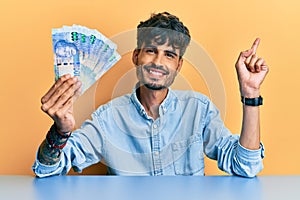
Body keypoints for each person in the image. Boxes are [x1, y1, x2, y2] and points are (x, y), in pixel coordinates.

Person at [32, 12, 269, 177]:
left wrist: (251, 95)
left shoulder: (199, 110)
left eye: (169, 54)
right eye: (151, 51)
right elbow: (46, 169)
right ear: (136, 56)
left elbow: (246, 166)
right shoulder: (107, 119)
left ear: (178, 66)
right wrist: (60, 131)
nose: (158, 62)